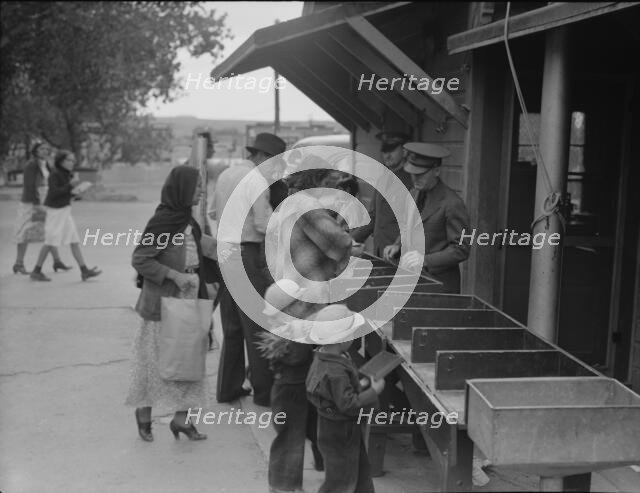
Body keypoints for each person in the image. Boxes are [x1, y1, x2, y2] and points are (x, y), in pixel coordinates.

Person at [126, 165, 211, 442]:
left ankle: (182, 420)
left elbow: (198, 246)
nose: (201, 191)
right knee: (154, 362)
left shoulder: (188, 220)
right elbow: (141, 259)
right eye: (197, 186)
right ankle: (144, 413)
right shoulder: (164, 222)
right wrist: (173, 275)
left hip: (188, 296)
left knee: (189, 360)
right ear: (182, 189)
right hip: (163, 302)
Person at [213, 132, 285, 407]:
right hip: (245, 253)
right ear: (263, 157)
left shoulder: (226, 174)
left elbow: (212, 213)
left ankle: (227, 388)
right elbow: (261, 223)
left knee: (231, 326)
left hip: (225, 251)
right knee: (256, 324)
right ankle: (264, 393)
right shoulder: (256, 179)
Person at [306, 304, 386, 493]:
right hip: (340, 430)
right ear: (342, 339)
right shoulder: (335, 371)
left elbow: (337, 393)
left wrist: (362, 385)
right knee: (340, 480)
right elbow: (348, 404)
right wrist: (373, 391)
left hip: (335, 427)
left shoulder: (326, 357)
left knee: (358, 471)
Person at [258, 279, 326, 493]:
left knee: (314, 429)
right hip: (290, 391)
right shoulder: (290, 332)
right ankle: (283, 485)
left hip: (299, 387)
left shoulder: (291, 326)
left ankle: (322, 463)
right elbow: (297, 358)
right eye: (299, 303)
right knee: (290, 437)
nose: (304, 305)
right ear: (288, 309)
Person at [383, 142, 470, 293]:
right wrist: (397, 244)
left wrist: (425, 260)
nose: (415, 179)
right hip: (411, 281)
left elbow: (461, 249)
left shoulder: (452, 203)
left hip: (440, 286)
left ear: (436, 171)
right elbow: (407, 226)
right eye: (412, 173)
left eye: (421, 174)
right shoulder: (413, 193)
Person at [266, 159, 353, 290]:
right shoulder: (307, 204)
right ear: (316, 179)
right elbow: (337, 239)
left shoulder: (291, 200)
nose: (328, 188)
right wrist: (355, 247)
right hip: (308, 281)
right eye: (327, 182)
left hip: (290, 279)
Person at [29, 150, 100, 282]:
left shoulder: (67, 174)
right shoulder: (54, 174)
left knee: (74, 240)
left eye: (73, 160)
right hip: (55, 211)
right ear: (61, 161)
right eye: (69, 160)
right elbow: (55, 193)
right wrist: (70, 186)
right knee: (50, 241)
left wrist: (77, 192)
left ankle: (84, 270)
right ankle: (36, 271)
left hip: (65, 210)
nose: (72, 163)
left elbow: (66, 193)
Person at [351, 131, 414, 257]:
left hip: (402, 253)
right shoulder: (383, 179)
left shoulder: (413, 181)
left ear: (405, 151)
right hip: (381, 251)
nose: (387, 155)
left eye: (392, 150)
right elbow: (373, 217)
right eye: (384, 151)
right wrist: (351, 239)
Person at [12, 142, 68, 275]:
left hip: (44, 200)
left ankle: (57, 260)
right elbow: (29, 185)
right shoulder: (31, 165)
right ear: (35, 151)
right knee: (24, 231)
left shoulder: (46, 164)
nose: (45, 151)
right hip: (32, 202)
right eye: (42, 149)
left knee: (49, 230)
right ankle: (18, 263)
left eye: (47, 149)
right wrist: (36, 203)